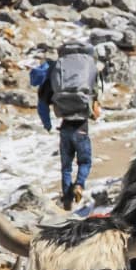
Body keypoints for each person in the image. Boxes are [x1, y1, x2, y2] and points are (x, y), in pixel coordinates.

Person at [38, 42, 100, 210]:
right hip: (81, 127)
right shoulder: (88, 66)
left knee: (66, 166)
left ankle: (66, 199)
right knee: (85, 162)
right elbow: (95, 99)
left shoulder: (59, 68)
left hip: (64, 127)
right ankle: (79, 185)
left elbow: (44, 100)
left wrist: (48, 124)